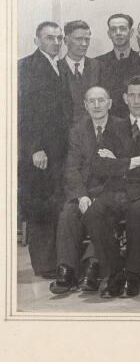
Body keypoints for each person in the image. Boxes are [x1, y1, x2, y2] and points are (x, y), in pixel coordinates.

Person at [83, 75, 140, 299]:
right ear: (124, 98)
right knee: (93, 213)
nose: (137, 100)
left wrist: (118, 162)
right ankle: (114, 273)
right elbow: (98, 165)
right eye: (132, 95)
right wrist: (136, 161)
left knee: (137, 213)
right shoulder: (113, 127)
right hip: (117, 191)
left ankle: (132, 274)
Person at [50, 86, 123, 294]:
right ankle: (67, 270)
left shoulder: (122, 126)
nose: (97, 105)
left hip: (111, 192)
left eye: (101, 100)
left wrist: (116, 162)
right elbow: (72, 167)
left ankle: (92, 267)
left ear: (110, 103)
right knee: (67, 214)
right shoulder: (78, 129)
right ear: (85, 105)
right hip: (85, 190)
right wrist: (81, 195)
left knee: (98, 214)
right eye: (92, 101)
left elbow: (128, 166)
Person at [18, 21, 71, 279]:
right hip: (39, 154)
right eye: (50, 37)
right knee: (40, 206)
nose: (56, 42)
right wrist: (35, 148)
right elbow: (24, 113)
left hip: (58, 151)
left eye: (59, 38)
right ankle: (44, 265)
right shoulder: (26, 66)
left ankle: (55, 261)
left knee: (55, 204)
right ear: (37, 40)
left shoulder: (58, 66)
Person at [58, 20, 112, 124]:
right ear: (66, 40)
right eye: (78, 39)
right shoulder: (56, 69)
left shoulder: (100, 67)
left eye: (87, 39)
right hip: (63, 133)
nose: (84, 44)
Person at [97, 14, 137, 109]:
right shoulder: (98, 63)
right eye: (113, 29)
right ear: (109, 34)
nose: (118, 33)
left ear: (131, 32)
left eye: (122, 28)